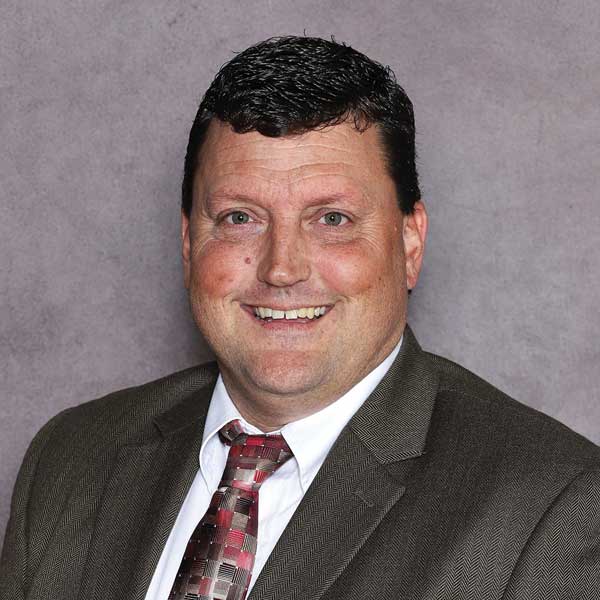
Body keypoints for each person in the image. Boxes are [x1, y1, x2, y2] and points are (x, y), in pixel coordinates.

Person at [1, 35, 598, 600]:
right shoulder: (73, 456)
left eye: (332, 219)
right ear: (188, 244)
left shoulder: (552, 508)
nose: (281, 268)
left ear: (410, 243)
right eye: (240, 218)